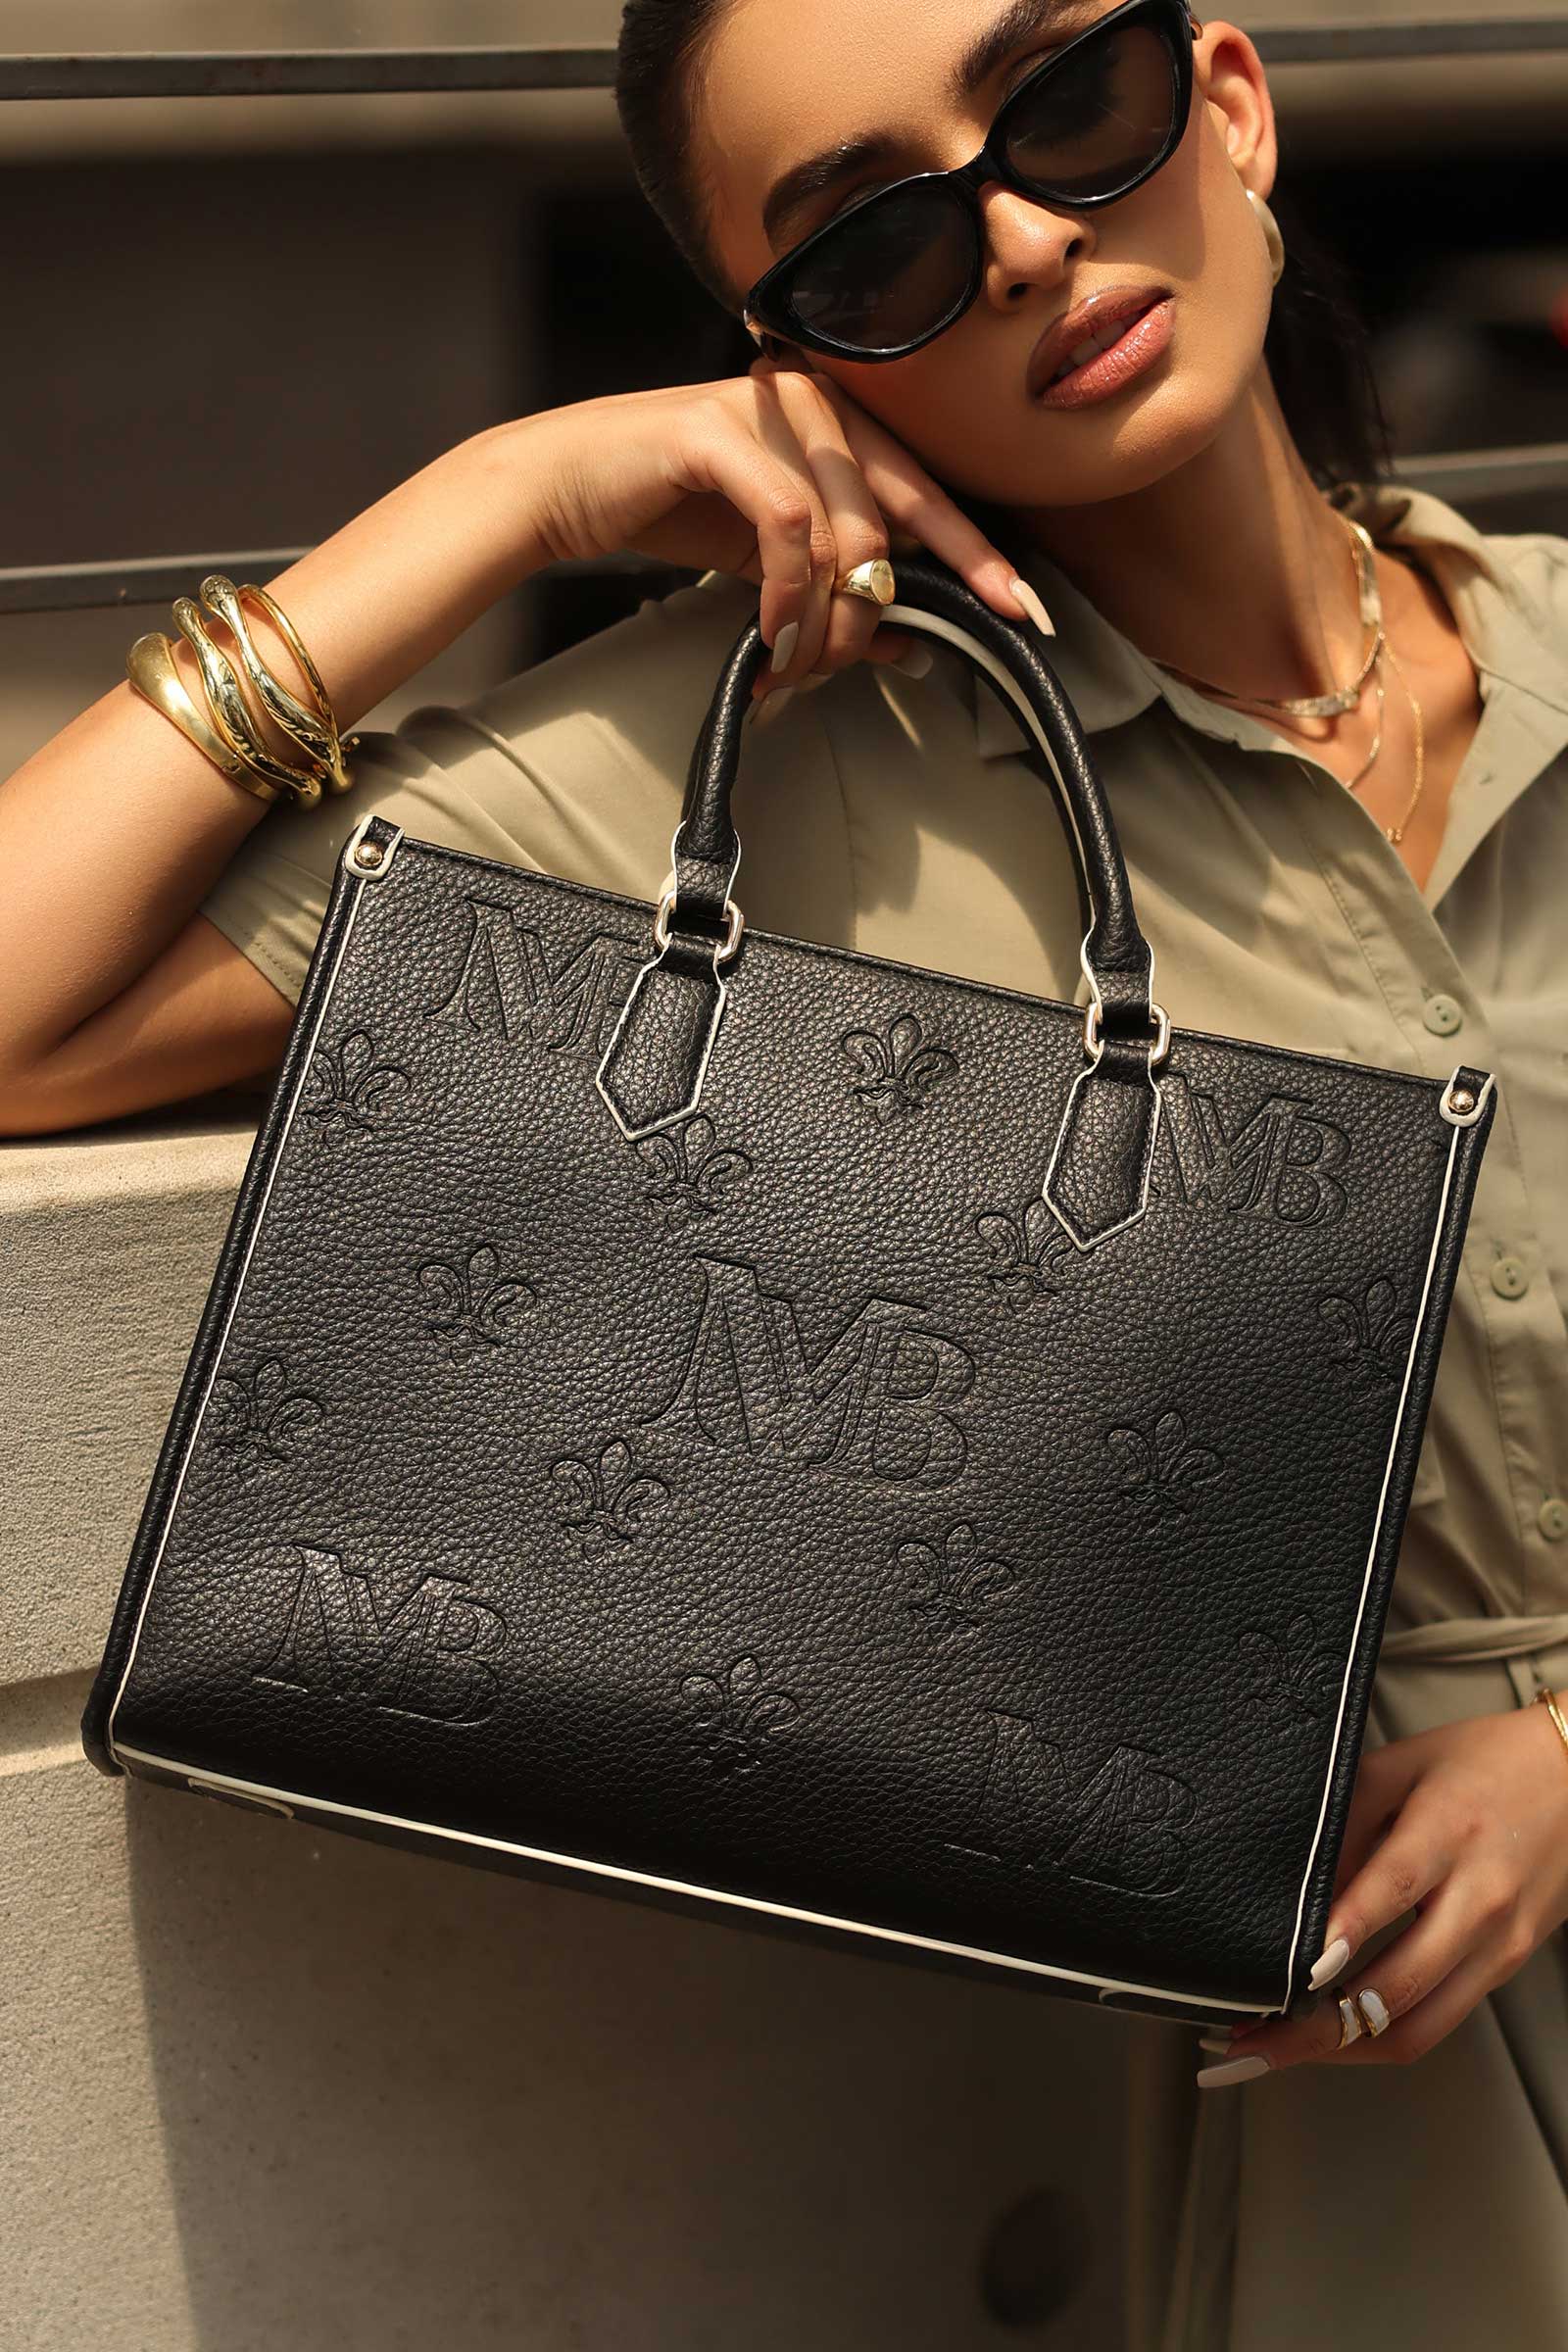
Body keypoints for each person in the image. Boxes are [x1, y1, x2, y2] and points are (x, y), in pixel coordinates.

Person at [4, 1, 1567, 2339]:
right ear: (795, 361)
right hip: (1431, 2159)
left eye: (1071, 107)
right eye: (876, 247)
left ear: (1228, 103)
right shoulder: (780, 743)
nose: (1019, 242)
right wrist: (510, 495)